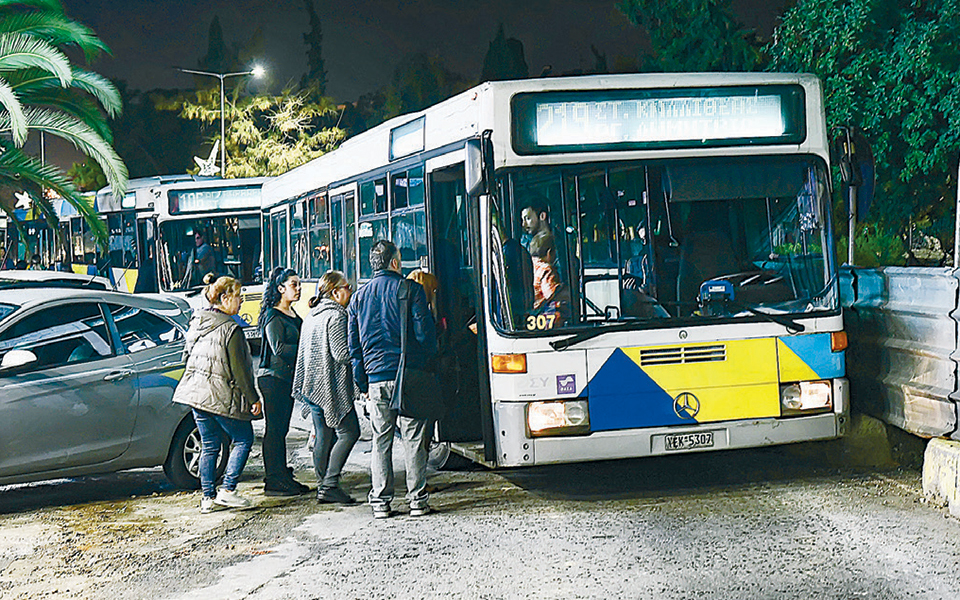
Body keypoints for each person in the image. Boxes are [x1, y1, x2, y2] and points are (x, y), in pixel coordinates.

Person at [348, 240, 437, 519]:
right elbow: (425, 335)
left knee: (381, 440)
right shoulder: (411, 290)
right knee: (413, 439)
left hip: (376, 379)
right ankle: (417, 501)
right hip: (408, 375)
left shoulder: (358, 298)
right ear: (395, 263)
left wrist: (362, 381)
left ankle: (381, 502)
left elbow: (354, 347)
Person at [172, 274, 262, 514]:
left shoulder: (199, 321)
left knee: (210, 445)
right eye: (238, 296)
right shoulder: (230, 329)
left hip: (195, 394)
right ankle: (228, 490)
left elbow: (187, 355)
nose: (241, 301)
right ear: (224, 298)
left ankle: (208, 498)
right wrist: (253, 399)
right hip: (217, 395)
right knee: (243, 439)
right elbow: (240, 371)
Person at [293, 270, 360, 505]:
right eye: (347, 287)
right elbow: (341, 354)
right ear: (335, 292)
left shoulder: (313, 314)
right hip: (330, 387)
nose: (350, 291)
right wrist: (361, 352)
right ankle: (330, 484)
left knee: (323, 433)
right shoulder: (337, 316)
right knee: (350, 432)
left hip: (311, 385)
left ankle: (323, 484)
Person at [256, 267, 310, 496]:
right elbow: (278, 348)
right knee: (275, 430)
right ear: (280, 289)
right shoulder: (273, 315)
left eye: (298, 284)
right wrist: (306, 349)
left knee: (281, 429)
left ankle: (281, 473)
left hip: (285, 379)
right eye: (294, 285)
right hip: (273, 379)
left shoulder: (292, 313)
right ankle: (274, 479)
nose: (298, 289)